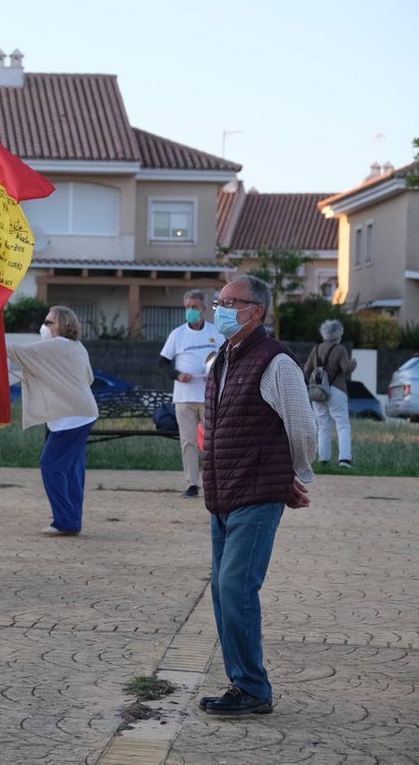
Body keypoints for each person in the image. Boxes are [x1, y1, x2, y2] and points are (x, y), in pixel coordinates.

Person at [198, 274, 316, 717]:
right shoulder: (223, 358)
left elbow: (302, 426)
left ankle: (252, 687)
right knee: (222, 591)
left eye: (231, 302)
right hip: (223, 492)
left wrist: (297, 475)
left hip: (256, 492)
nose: (220, 309)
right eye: (218, 301)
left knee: (236, 586)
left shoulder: (275, 361)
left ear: (257, 311)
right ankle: (238, 682)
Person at [7, 306, 98, 535]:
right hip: (84, 412)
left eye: (49, 322)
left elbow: (13, 351)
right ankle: (72, 519)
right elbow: (89, 378)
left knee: (51, 465)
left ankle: (65, 520)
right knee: (73, 470)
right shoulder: (78, 347)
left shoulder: (53, 346)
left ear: (62, 325)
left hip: (70, 417)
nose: (44, 326)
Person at [158, 289, 223, 499]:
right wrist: (177, 375)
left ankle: (214, 482)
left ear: (203, 308)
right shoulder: (177, 334)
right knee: (188, 442)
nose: (190, 311)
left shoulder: (216, 332)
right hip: (184, 398)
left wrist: (214, 372)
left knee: (212, 441)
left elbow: (226, 359)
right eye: (187, 307)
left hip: (209, 397)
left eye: (194, 307)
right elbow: (163, 363)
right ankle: (192, 484)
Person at [302, 319, 356, 468]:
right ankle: (345, 459)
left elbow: (306, 369)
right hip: (337, 390)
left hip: (318, 391)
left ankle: (323, 459)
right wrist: (353, 364)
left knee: (323, 425)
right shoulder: (340, 349)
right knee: (342, 424)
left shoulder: (316, 349)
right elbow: (346, 369)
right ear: (338, 334)